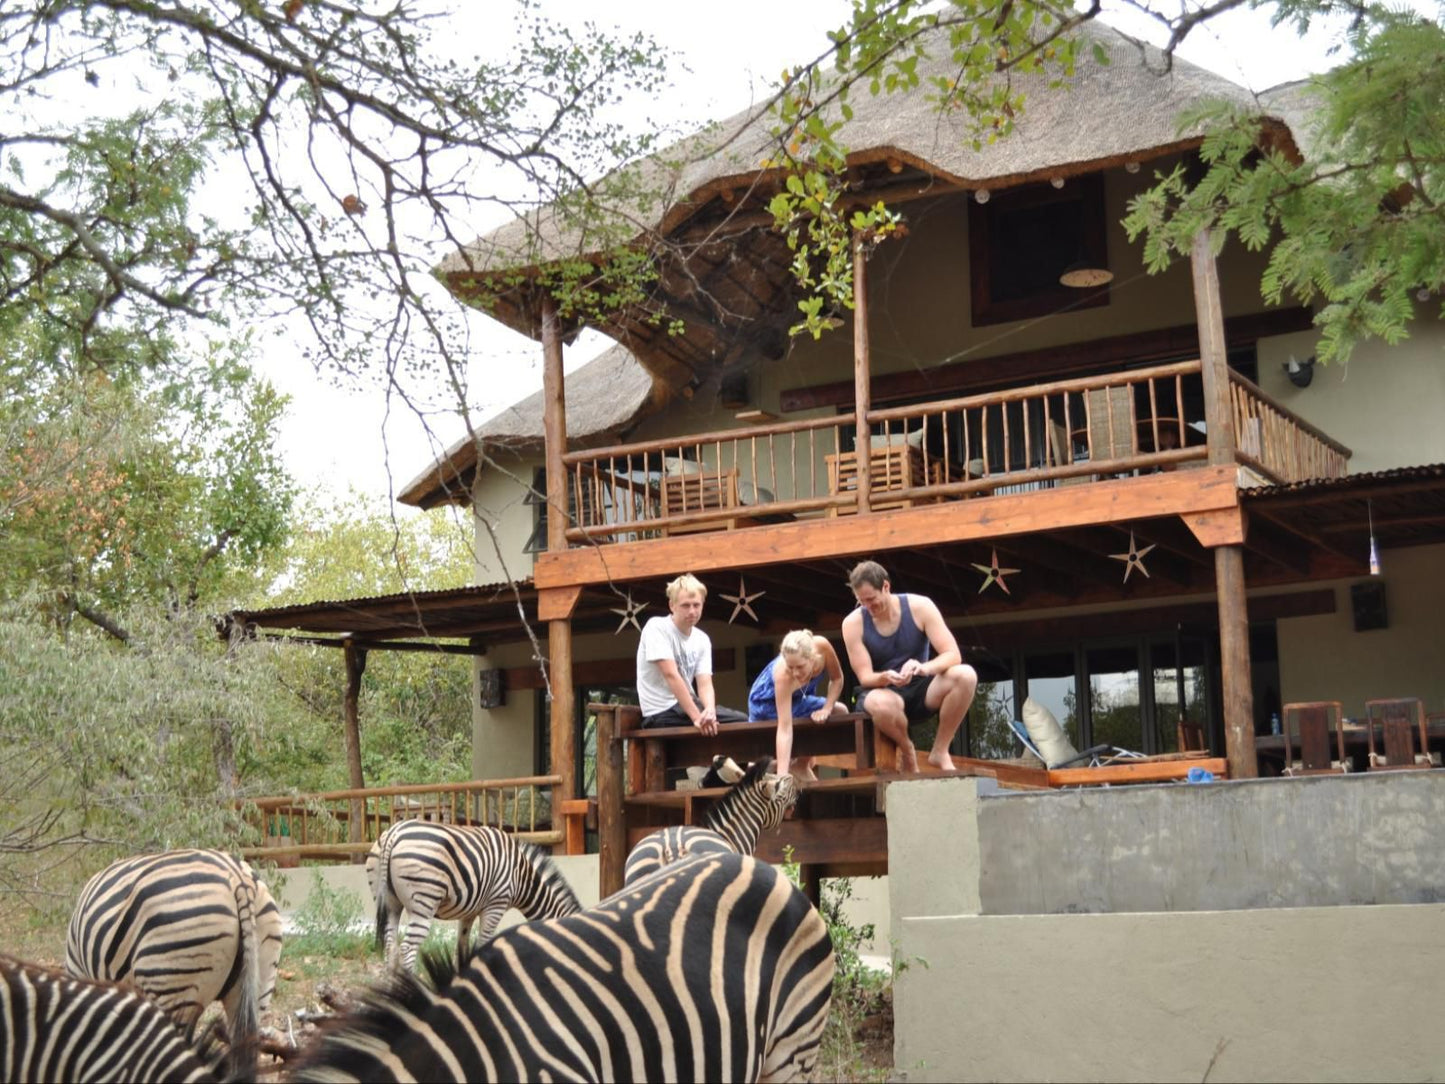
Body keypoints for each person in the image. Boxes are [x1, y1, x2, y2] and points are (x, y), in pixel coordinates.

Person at [840, 560, 978, 772]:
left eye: (872, 600)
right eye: (861, 602)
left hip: (920, 687)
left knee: (966, 675)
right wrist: (885, 677)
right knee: (882, 703)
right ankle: (907, 748)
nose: (868, 607)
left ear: (886, 587)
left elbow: (952, 654)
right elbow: (865, 676)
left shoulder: (920, 607)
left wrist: (924, 668)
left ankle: (940, 751)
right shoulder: (852, 624)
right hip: (881, 693)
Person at [636, 573, 748, 734]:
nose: (692, 611)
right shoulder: (656, 628)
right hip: (661, 712)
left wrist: (709, 712)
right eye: (685, 605)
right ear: (672, 605)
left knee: (742, 720)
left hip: (688, 708)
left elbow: (705, 683)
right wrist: (697, 718)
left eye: (696, 605)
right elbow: (671, 675)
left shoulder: (702, 639)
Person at [747, 629, 846, 781]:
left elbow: (837, 679)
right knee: (796, 726)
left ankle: (800, 764)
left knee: (840, 711)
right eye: (790, 667)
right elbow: (785, 727)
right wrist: (782, 776)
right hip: (766, 702)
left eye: (800, 667)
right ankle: (775, 766)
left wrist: (826, 708)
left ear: (812, 658)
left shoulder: (823, 647)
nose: (795, 673)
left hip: (799, 698)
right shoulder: (783, 675)